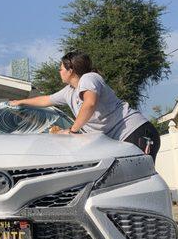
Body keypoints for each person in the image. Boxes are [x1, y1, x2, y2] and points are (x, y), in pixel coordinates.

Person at [9, 51, 161, 161]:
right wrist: (20, 102)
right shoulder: (69, 91)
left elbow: (90, 103)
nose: (59, 71)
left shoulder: (90, 78)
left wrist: (73, 130)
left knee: (139, 179)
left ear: (71, 70)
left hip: (135, 132)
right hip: (117, 141)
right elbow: (46, 100)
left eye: (61, 69)